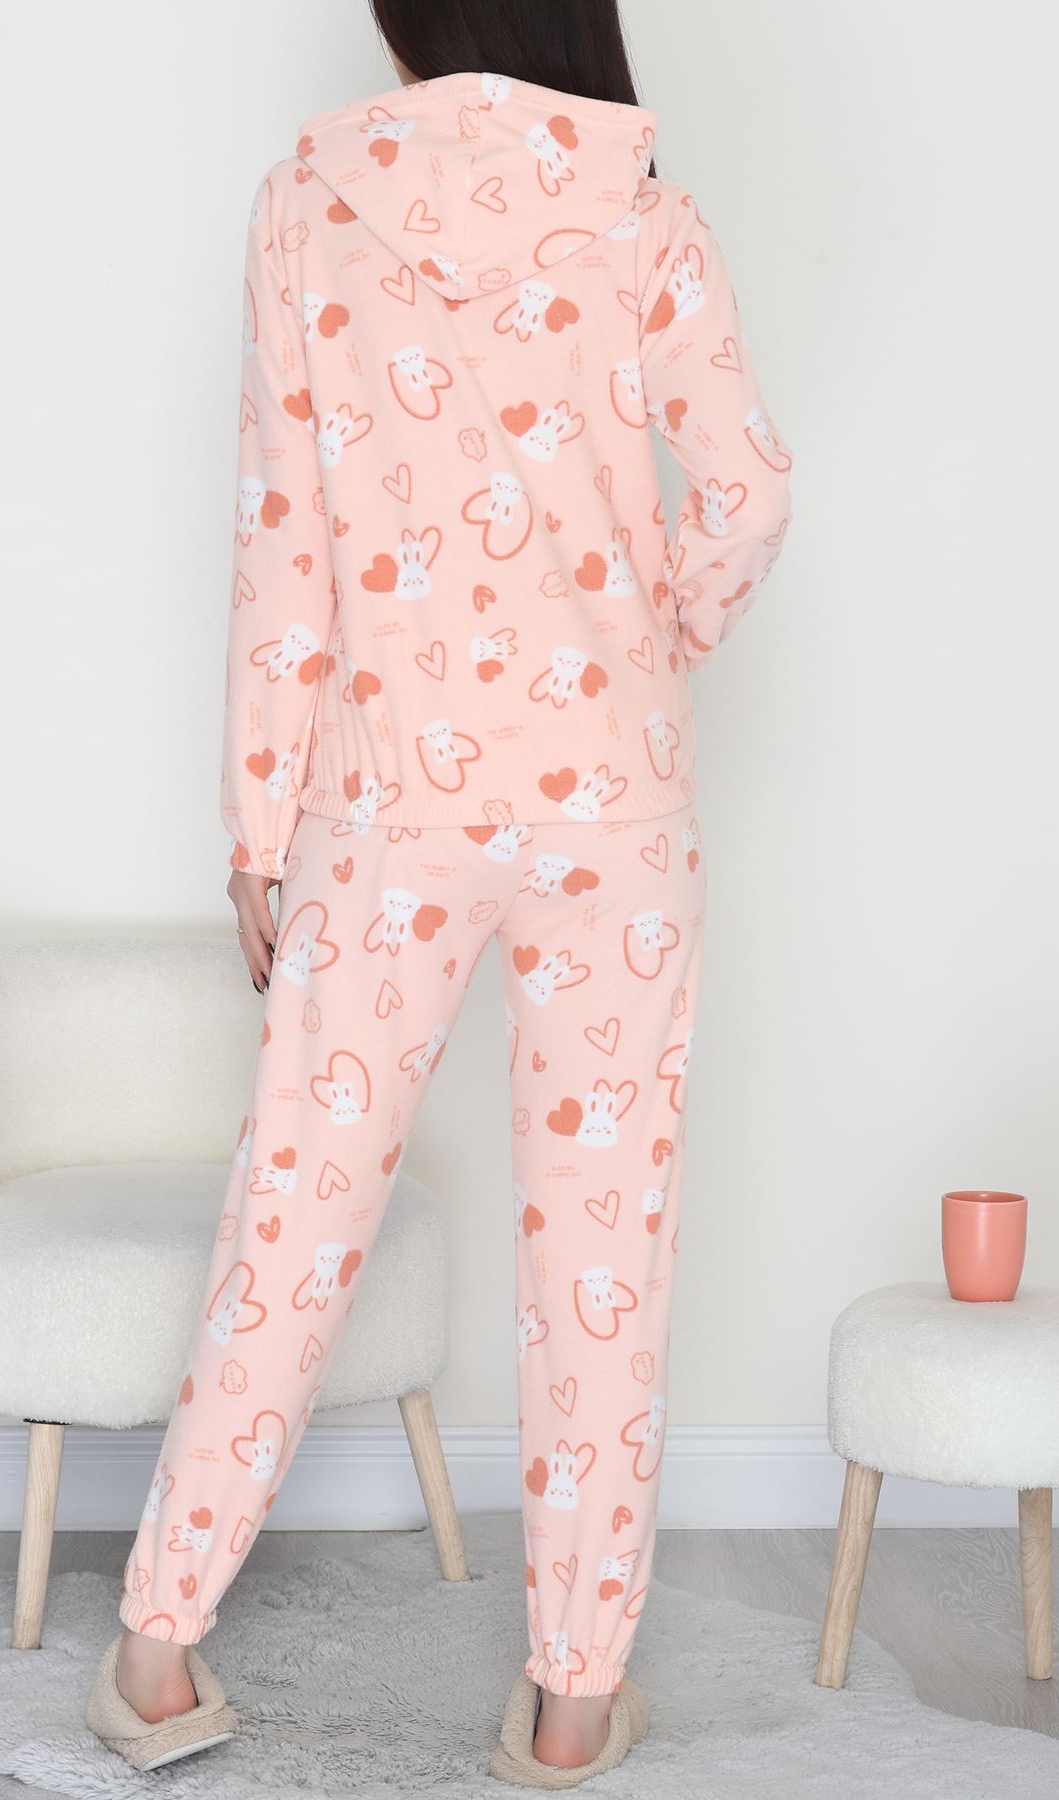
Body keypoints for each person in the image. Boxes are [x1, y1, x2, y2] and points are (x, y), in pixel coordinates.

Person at [86, 0, 793, 1783]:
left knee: (295, 1209)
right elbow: (749, 491)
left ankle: (158, 1651)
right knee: (604, 1246)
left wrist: (258, 823)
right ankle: (572, 1703)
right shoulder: (645, 211)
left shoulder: (309, 202)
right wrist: (651, 641)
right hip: (612, 802)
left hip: (387, 797)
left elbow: (284, 537)